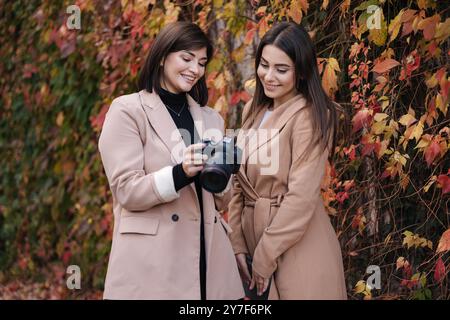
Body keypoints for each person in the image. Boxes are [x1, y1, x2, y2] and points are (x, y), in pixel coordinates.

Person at [98, 21, 244, 300]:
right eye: (187, 58)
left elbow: (220, 201)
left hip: (208, 260)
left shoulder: (211, 118)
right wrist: (180, 173)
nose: (195, 70)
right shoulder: (128, 110)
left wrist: (224, 173)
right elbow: (126, 190)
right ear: (163, 56)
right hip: (153, 264)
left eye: (202, 63)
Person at [228, 22, 347, 299]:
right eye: (264, 65)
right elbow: (238, 182)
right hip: (255, 246)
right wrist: (237, 243)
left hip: (298, 250)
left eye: (281, 70)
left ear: (302, 72)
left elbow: (301, 197)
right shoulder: (252, 110)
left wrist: (264, 255)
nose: (268, 76)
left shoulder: (310, 116)